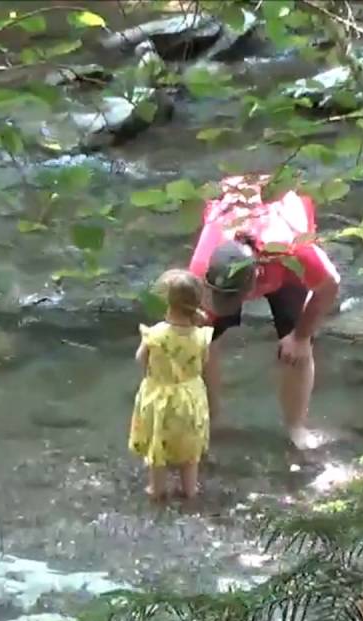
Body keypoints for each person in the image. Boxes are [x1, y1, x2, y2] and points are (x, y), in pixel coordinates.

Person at [188, 176, 340, 450]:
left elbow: (330, 284)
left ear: (257, 277)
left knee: (298, 348)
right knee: (202, 340)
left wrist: (301, 336)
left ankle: (296, 428)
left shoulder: (293, 251)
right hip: (236, 206)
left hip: (281, 254)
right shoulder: (202, 264)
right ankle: (210, 420)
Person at [129, 269, 213, 500]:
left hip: (161, 398)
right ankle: (190, 490)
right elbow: (204, 362)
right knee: (190, 448)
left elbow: (140, 359)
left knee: (159, 445)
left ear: (167, 302)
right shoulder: (202, 336)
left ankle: (157, 490)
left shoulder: (155, 334)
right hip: (191, 398)